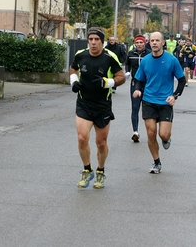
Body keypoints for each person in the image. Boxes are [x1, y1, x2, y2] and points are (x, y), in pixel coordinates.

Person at [69, 27, 126, 188]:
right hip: (84, 103)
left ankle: (100, 171)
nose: (93, 43)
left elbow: (121, 77)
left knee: (101, 143)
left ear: (102, 41)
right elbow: (73, 68)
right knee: (82, 138)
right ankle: (87, 169)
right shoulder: (81, 55)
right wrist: (74, 81)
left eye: (97, 40)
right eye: (91, 39)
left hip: (102, 106)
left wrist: (107, 82)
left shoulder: (109, 57)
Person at [133, 32, 186, 174]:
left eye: (157, 40)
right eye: (152, 40)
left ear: (163, 43)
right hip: (148, 100)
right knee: (151, 134)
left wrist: (175, 96)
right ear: (149, 43)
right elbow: (139, 79)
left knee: (163, 134)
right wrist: (138, 90)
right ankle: (157, 162)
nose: (154, 43)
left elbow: (182, 81)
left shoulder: (171, 60)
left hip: (165, 102)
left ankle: (166, 138)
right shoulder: (145, 61)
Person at [125, 35, 151, 143]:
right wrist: (127, 72)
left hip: (148, 84)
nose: (139, 44)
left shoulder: (150, 54)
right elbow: (127, 64)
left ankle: (151, 132)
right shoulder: (131, 54)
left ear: (145, 43)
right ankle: (135, 131)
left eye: (141, 42)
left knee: (148, 109)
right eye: (137, 43)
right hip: (135, 83)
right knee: (135, 107)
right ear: (135, 44)